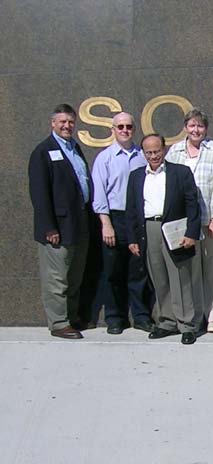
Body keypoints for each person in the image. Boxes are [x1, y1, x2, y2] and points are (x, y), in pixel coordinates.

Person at [126, 134, 201, 345]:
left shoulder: (181, 172)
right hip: (148, 229)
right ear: (143, 153)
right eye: (148, 152)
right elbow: (131, 209)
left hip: (175, 229)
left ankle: (187, 325)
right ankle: (167, 321)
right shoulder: (136, 177)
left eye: (157, 151)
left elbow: (192, 204)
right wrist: (132, 238)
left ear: (164, 150)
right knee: (158, 276)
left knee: (180, 276)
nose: (153, 156)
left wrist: (191, 233)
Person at [29, 104, 93, 339]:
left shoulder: (74, 148)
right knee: (56, 279)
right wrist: (49, 227)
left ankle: (71, 317)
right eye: (62, 122)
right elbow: (39, 193)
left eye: (70, 122)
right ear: (53, 123)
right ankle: (58, 323)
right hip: (57, 228)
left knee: (74, 276)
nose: (67, 126)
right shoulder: (43, 152)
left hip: (79, 223)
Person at [165, 109, 213, 333]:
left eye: (200, 126)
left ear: (206, 129)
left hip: (209, 221)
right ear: (185, 127)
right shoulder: (174, 151)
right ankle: (193, 317)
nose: (196, 130)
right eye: (192, 126)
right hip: (184, 224)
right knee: (190, 270)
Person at [90, 112, 154, 334]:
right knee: (113, 271)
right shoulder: (104, 158)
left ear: (134, 129)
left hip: (137, 219)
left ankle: (141, 316)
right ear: (113, 130)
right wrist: (105, 224)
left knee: (139, 271)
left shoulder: (142, 156)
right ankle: (115, 318)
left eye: (129, 126)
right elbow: (99, 195)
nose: (125, 130)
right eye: (120, 127)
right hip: (114, 219)